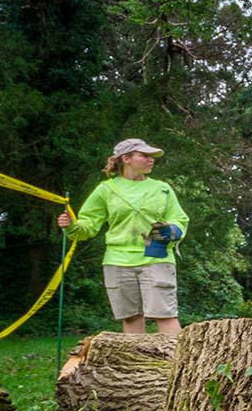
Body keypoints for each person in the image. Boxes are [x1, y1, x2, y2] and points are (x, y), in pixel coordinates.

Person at [56, 139, 189, 335]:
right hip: (117, 262)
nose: (150, 160)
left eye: (151, 156)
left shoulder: (162, 188)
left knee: (165, 315)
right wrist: (72, 226)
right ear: (126, 158)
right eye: (144, 155)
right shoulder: (106, 190)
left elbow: (179, 219)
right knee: (131, 316)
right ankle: (137, 364)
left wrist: (173, 230)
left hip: (156, 258)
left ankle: (180, 364)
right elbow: (88, 226)